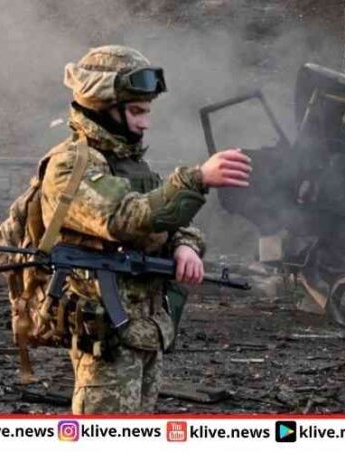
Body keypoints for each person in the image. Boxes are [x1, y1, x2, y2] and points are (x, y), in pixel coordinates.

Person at [44, 45, 251, 413]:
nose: (145, 123)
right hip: (105, 334)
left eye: (147, 111)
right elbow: (125, 218)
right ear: (102, 106)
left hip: (144, 329)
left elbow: (169, 219)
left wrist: (185, 246)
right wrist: (196, 179)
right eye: (136, 111)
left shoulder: (129, 165)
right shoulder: (71, 165)